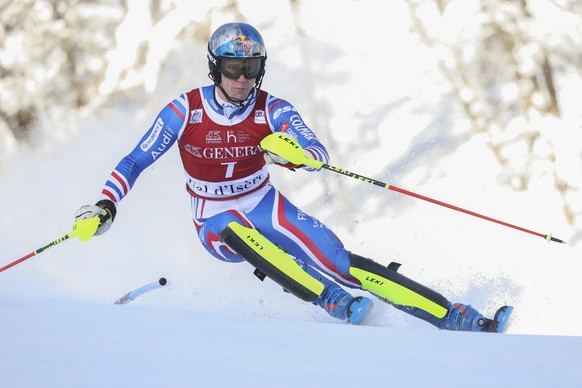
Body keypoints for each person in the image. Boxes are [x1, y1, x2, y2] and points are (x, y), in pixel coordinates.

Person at [74, 22, 504, 331]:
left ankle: (456, 316)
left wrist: (293, 155)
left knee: (338, 260)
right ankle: (331, 301)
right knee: (230, 226)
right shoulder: (184, 110)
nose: (242, 79)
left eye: (251, 68)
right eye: (231, 67)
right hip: (213, 219)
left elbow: (315, 150)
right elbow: (134, 162)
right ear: (214, 67)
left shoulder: (272, 109)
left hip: (264, 203)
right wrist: (106, 205)